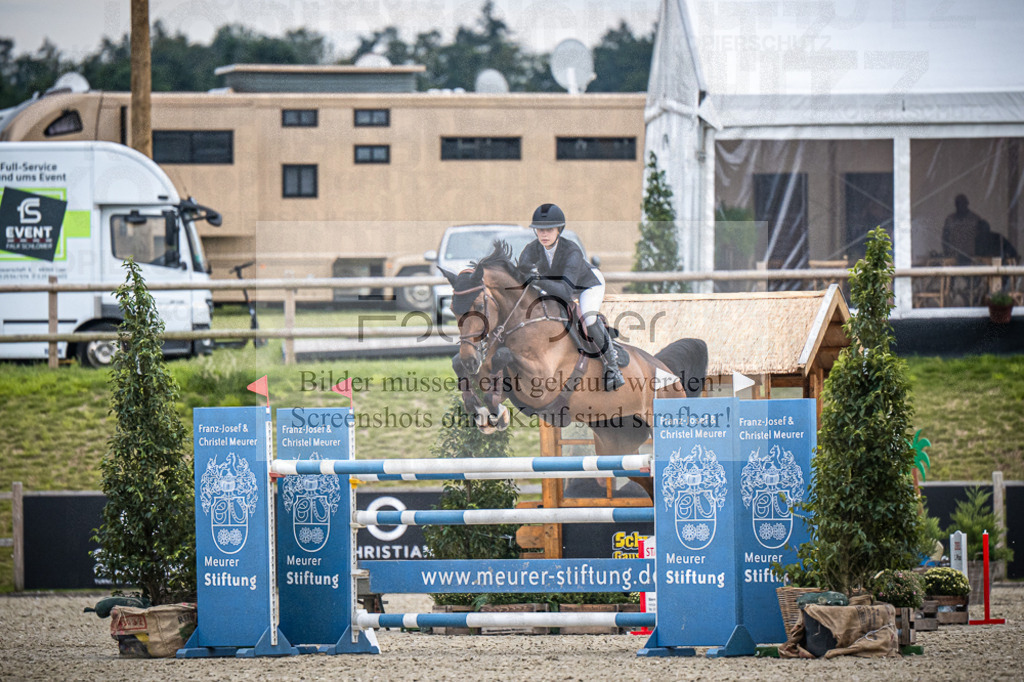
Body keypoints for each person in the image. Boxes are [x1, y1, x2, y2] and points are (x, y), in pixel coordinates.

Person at [518, 203, 624, 391]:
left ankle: (613, 367)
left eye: (549, 230)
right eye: (539, 230)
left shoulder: (571, 250)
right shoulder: (532, 249)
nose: (544, 234)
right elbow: (520, 274)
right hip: (555, 286)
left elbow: (566, 292)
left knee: (588, 318)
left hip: (586, 285)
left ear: (559, 230)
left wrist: (537, 280)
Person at [942, 194, 991, 264]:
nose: (961, 206)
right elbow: (945, 239)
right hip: (954, 260)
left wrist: (980, 255)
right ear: (955, 205)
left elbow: (982, 239)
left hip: (972, 259)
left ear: (967, 204)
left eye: (963, 203)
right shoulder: (950, 220)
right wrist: (947, 254)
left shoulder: (975, 219)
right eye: (958, 203)